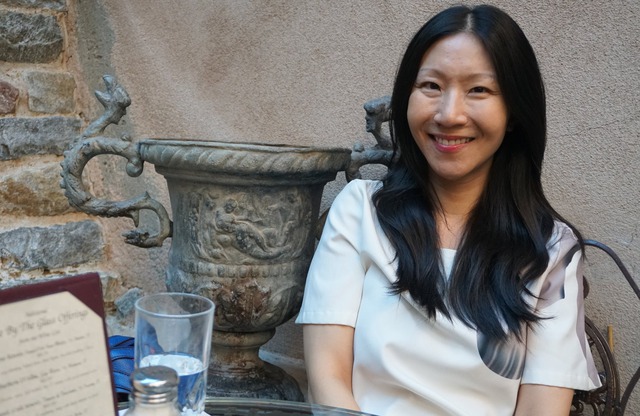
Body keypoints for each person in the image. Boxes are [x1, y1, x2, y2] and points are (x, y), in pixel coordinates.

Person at [295, 4, 601, 416]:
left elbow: (541, 410)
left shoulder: (550, 251)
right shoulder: (360, 211)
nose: (449, 114)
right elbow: (327, 378)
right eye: (431, 86)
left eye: (479, 90)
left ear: (514, 112)